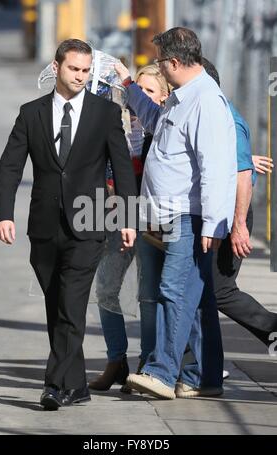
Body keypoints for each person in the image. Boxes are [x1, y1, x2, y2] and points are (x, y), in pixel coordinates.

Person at [0, 39, 137, 410]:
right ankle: (77, 385)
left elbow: (121, 167)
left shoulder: (104, 113)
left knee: (71, 304)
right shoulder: (31, 113)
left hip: (89, 223)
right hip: (43, 226)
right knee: (57, 304)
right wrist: (3, 213)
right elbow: (10, 165)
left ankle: (53, 385)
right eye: (74, 69)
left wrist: (127, 218)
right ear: (56, 68)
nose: (81, 77)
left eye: (87, 71)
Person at [118, 27, 237, 399]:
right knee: (199, 299)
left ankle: (162, 372)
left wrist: (215, 222)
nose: (159, 70)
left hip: (192, 217)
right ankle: (204, 376)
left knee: (173, 290)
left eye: (159, 64)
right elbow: (155, 122)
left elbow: (217, 165)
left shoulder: (205, 102)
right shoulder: (182, 98)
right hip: (175, 216)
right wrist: (130, 88)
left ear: (172, 62)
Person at [89, 65, 170, 392]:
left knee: (148, 294)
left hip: (152, 215)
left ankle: (147, 363)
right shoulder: (115, 124)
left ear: (162, 98)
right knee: (106, 286)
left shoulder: (164, 127)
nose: (140, 99)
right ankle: (115, 360)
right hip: (117, 213)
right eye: (137, 90)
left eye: (149, 92)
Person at [201, 58, 277, 347]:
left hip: (233, 212)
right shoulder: (208, 115)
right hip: (220, 213)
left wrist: (239, 226)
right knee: (204, 291)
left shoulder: (226, 119)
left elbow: (242, 175)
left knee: (220, 291)